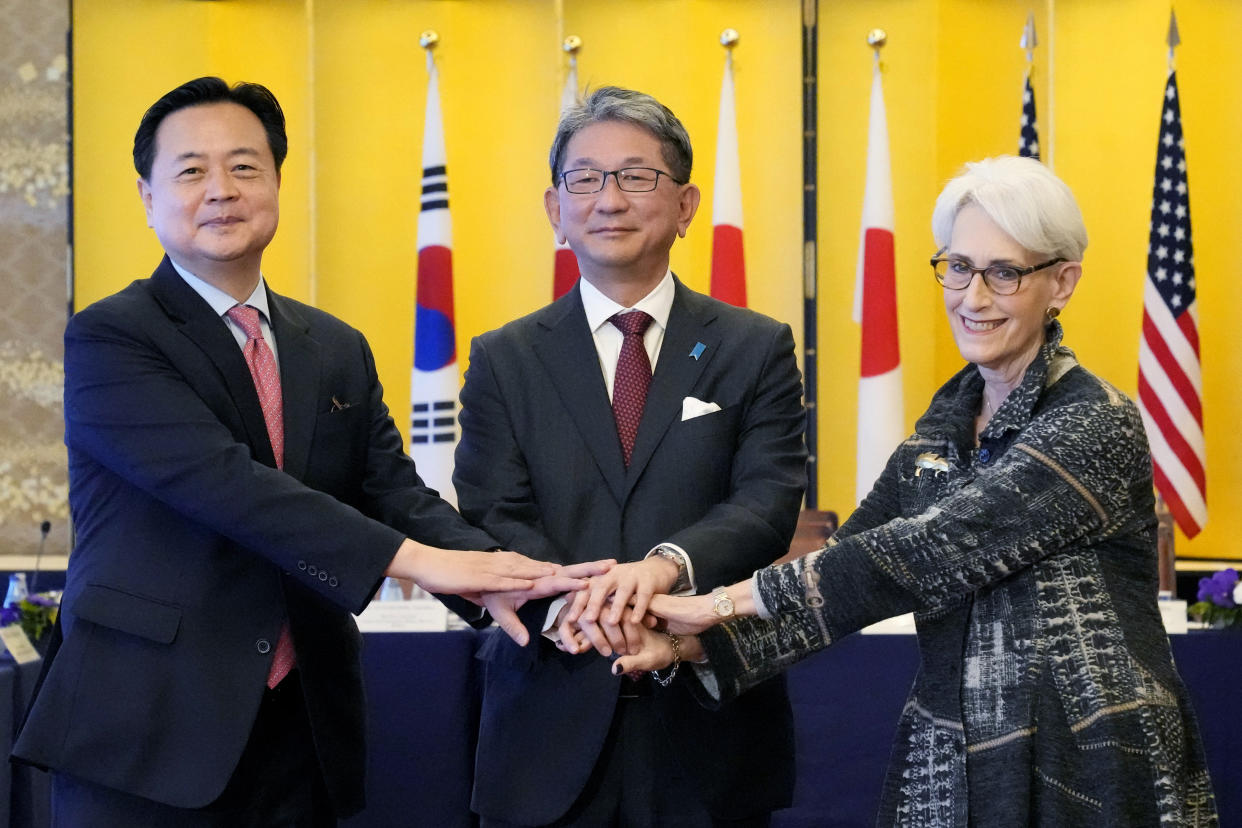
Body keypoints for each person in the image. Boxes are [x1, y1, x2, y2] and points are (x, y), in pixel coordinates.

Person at [13, 77, 604, 827]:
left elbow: (394, 491)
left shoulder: (332, 348)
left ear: (277, 183)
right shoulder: (112, 337)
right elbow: (228, 487)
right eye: (191, 170)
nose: (221, 190)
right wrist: (424, 562)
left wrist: (524, 588)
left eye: (244, 166)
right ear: (147, 194)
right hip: (148, 727)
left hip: (303, 727)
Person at [616, 156, 1219, 826]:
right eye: (958, 268)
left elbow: (932, 549)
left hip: (1088, 760)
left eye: (1004, 272)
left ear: (1062, 282)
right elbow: (851, 567)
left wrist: (719, 602)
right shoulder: (946, 420)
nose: (973, 297)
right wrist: (687, 645)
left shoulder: (1095, 420)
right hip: (952, 760)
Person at [452, 86, 808, 827]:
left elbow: (766, 502)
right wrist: (583, 608)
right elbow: (493, 511)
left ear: (685, 206)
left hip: (712, 719)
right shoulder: (504, 358)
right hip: (547, 712)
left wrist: (664, 568)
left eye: (637, 175)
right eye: (585, 178)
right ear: (555, 209)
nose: (609, 197)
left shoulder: (755, 346)